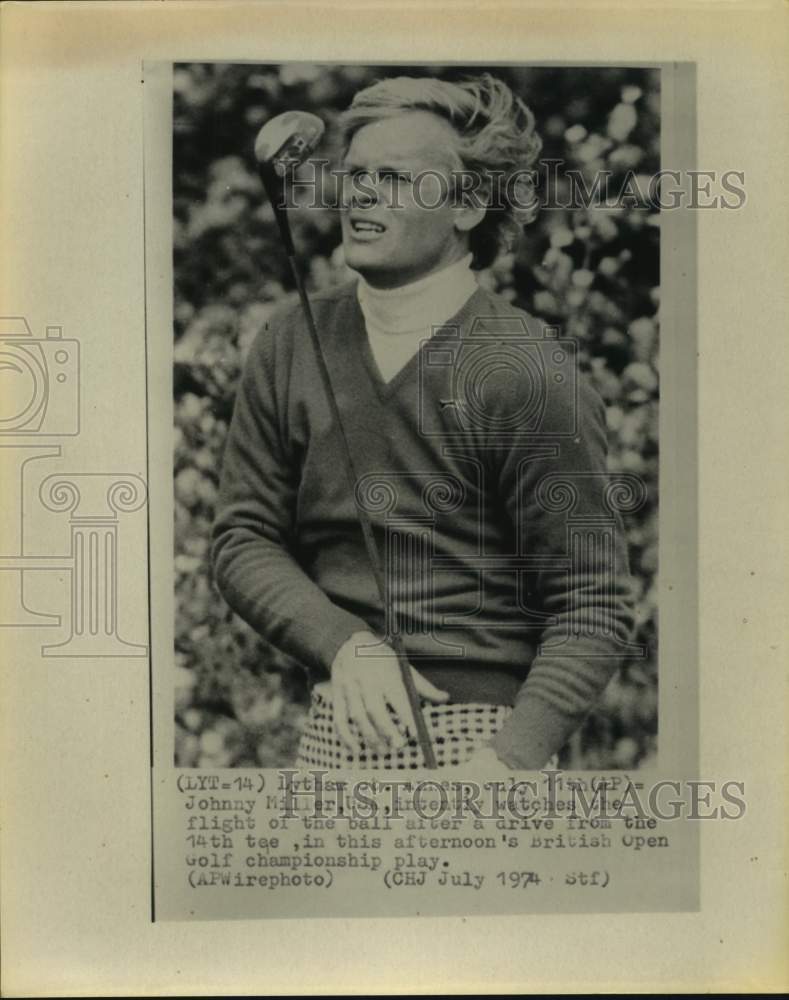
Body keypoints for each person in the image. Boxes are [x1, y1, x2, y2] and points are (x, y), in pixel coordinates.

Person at [211, 73, 636, 772]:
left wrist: (508, 763)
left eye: (395, 178)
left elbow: (591, 602)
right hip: (336, 721)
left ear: (467, 203)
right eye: (354, 175)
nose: (361, 194)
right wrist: (345, 645)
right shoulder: (290, 339)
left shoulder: (526, 370)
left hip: (484, 748)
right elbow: (242, 537)